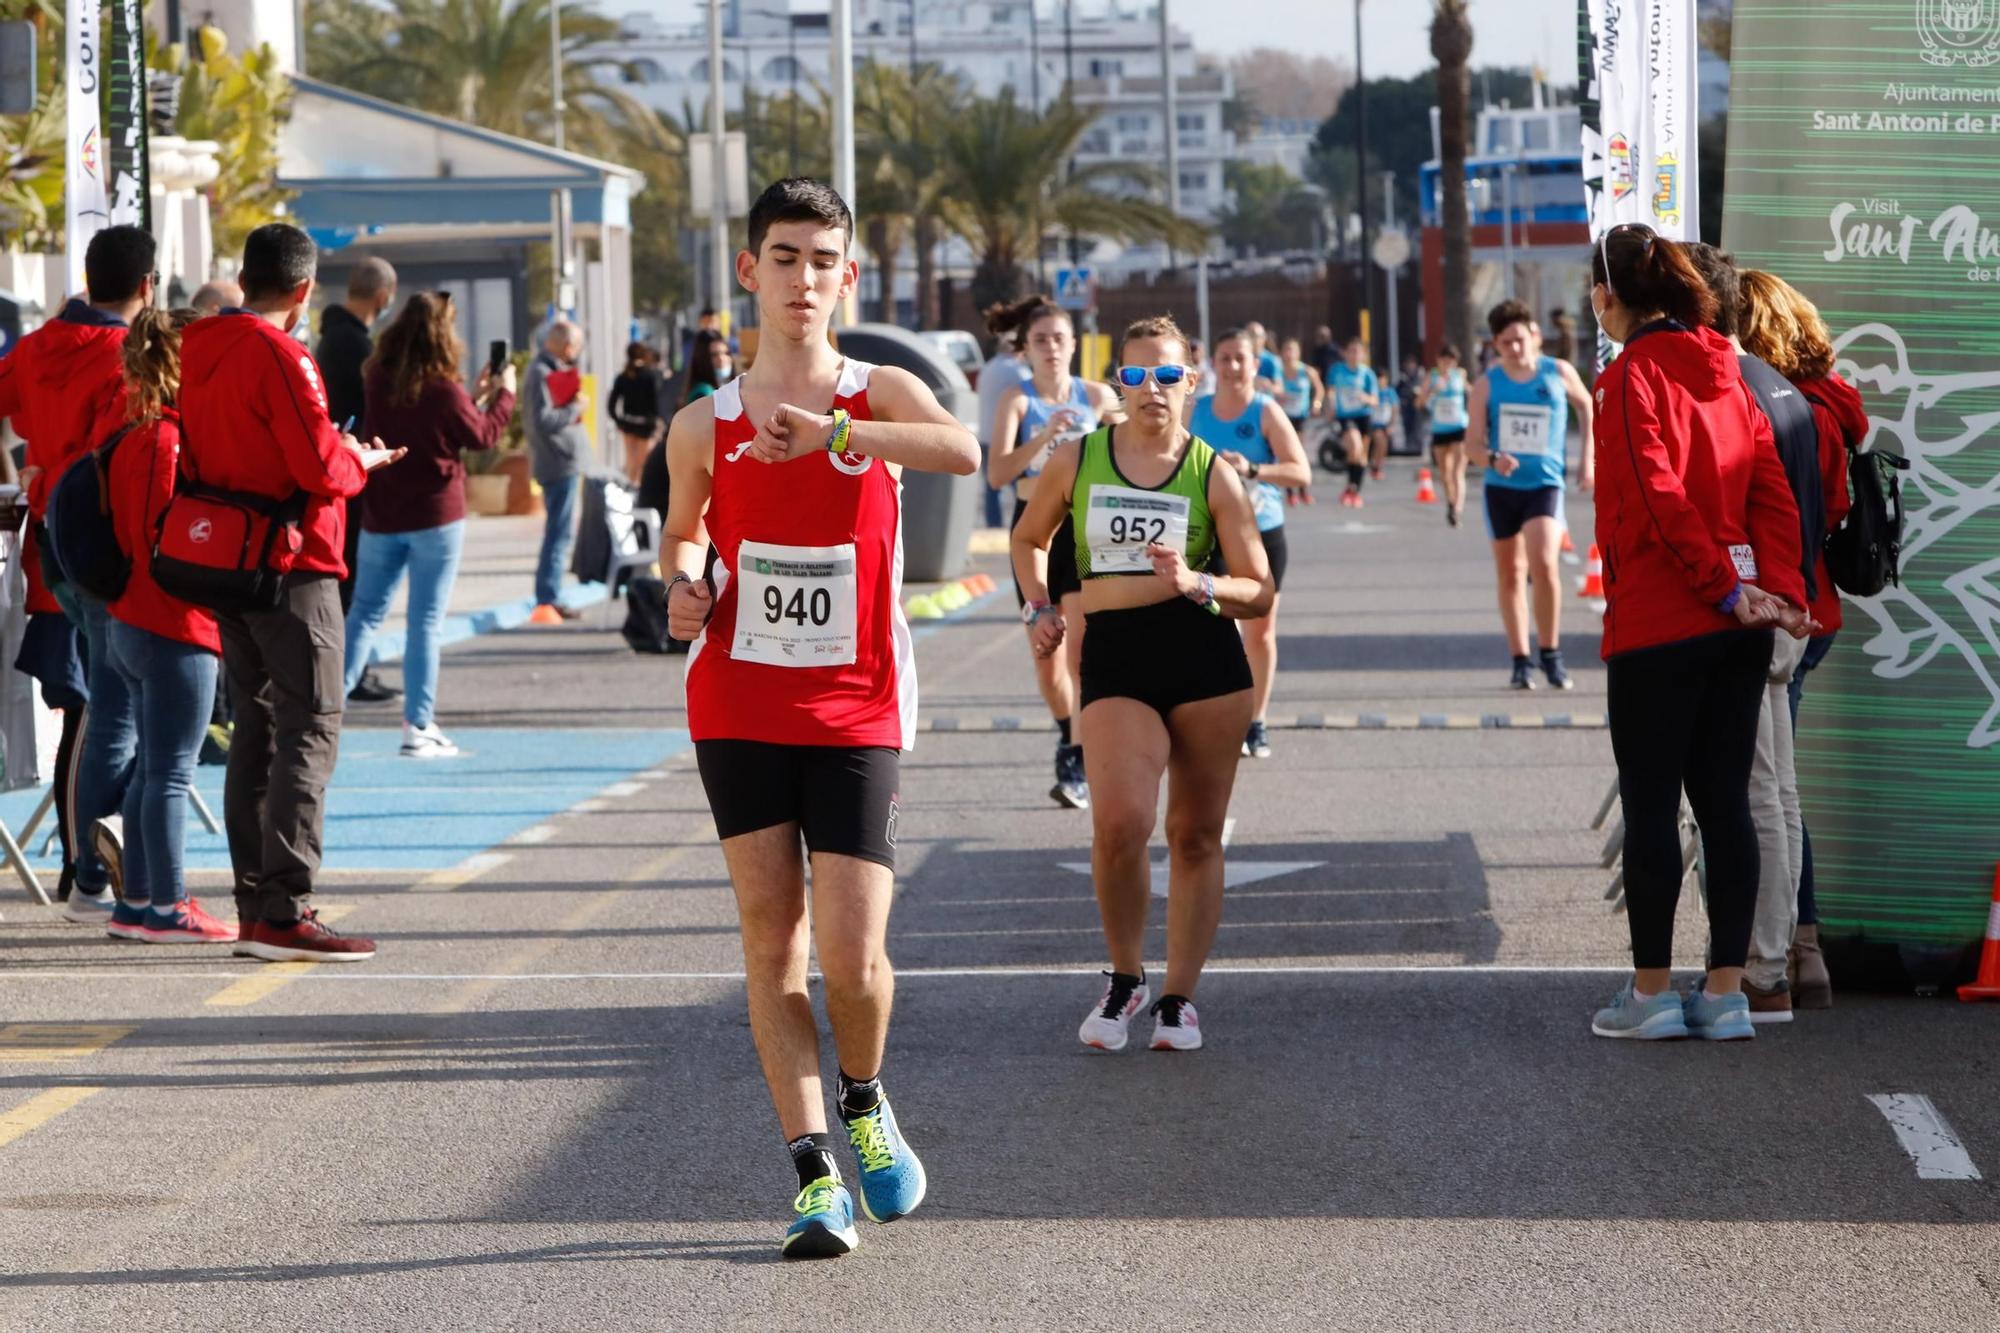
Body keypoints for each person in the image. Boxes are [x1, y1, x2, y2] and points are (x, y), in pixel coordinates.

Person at [662, 178, 977, 1260]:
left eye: (823, 259)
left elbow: (962, 454)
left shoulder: (877, 388)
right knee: (771, 941)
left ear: (848, 276)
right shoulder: (703, 422)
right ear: (749, 271)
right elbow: (679, 540)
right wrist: (683, 587)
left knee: (852, 956)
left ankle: (861, 1097)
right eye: (784, 256)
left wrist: (845, 431)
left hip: (856, 703)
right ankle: (809, 1177)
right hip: (739, 698)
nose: (804, 277)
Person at [1011, 314, 1274, 1054]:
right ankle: (1126, 976)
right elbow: (1028, 537)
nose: (1150, 388)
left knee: (1193, 833)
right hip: (1118, 661)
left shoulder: (1211, 470)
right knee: (1120, 823)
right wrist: (1037, 605)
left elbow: (1258, 587)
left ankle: (1178, 998)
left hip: (1206, 664)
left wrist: (1197, 580)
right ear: (1116, 381)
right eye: (1134, 374)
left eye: (1166, 374)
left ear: (1191, 380)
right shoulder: (1079, 457)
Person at [1585, 223, 1814, 1043]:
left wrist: (1718, 585)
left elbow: (1653, 489)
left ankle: (1650, 993)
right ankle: (1723, 993)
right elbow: (1771, 489)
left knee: (1653, 804)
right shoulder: (1727, 367)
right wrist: (1774, 590)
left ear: (1607, 295)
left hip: (1660, 617)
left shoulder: (1626, 376)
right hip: (1741, 621)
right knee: (1726, 802)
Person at [179, 222, 396, 963]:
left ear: (244, 279)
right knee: (311, 724)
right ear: (303, 291)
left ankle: (253, 902)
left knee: (257, 727)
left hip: (227, 558)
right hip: (292, 561)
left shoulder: (198, 345)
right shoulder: (282, 354)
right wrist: (359, 460)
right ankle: (285, 905)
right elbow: (318, 468)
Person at [0, 224, 155, 919]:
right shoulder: (129, 354)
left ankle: (87, 865)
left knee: (90, 708)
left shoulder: (34, 346)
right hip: (105, 540)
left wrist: (29, 472)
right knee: (108, 707)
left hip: (50, 545)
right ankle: (88, 869)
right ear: (147, 286)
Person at [1739, 266, 1864, 1012]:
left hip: (1787, 611)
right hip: (1818, 605)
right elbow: (1838, 505)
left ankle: (1788, 949)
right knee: (1781, 786)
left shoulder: (1783, 410)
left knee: (1770, 791)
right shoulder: (1831, 405)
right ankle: (1799, 949)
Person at [100, 306, 235, 943]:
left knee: (154, 768)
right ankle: (170, 904)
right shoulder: (169, 439)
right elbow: (169, 539)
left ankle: (141, 902)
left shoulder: (135, 431)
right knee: (171, 772)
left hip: (132, 617)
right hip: (171, 622)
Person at [342, 292, 518, 759]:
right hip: (435, 516)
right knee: (425, 622)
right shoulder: (443, 388)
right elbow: (479, 435)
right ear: (444, 333)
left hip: (383, 512)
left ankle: (324, 713)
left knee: (363, 615)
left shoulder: (378, 376)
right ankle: (417, 726)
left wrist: (475, 396)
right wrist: (504, 396)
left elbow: (439, 422)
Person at [987, 296, 1118, 809]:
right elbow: (997, 474)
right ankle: (1070, 732)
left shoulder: (1098, 397)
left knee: (1082, 651)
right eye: (1040, 340)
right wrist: (1046, 436)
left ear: (1074, 345)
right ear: (1026, 350)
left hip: (1083, 529)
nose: (1051, 349)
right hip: (1033, 533)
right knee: (1048, 658)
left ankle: (1080, 756)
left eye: (1060, 339)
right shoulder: (1016, 403)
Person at [1191, 329, 1310, 760]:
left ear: (1256, 365)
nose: (1233, 366)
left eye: (1241, 358)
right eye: (1224, 358)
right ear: (1213, 365)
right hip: (1212, 534)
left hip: (1263, 532)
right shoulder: (1196, 411)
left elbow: (1301, 472)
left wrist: (1254, 469)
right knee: (1213, 630)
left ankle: (1256, 721)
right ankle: (1217, 717)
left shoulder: (1266, 411)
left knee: (1259, 633)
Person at [1464, 300, 1595, 690]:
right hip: (1502, 489)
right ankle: (1521, 659)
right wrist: (1491, 458)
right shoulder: (1487, 385)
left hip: (1545, 484)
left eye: (1520, 340)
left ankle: (1551, 653)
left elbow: (1587, 406)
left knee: (1544, 563)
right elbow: (1470, 446)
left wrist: (1586, 461)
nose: (1516, 350)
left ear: (1535, 335)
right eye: (1506, 344)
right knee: (1511, 574)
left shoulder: (1558, 372)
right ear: (1495, 345)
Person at [314, 256, 399, 704]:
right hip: (349, 467)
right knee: (351, 579)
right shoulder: (355, 346)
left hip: (340, 463)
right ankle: (350, 669)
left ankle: (351, 667)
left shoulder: (332, 338)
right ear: (383, 296)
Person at [522, 319, 590, 625]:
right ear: (565, 345)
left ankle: (551, 593)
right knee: (557, 534)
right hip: (556, 462)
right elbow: (543, 421)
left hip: (562, 460)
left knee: (561, 532)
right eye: (574, 346)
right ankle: (548, 596)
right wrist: (576, 408)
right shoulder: (541, 372)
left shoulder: (549, 370)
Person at [974, 325, 1027, 529]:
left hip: (986, 433)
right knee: (1020, 484)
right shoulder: (1018, 371)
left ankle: (993, 523)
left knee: (991, 486)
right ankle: (1023, 519)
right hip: (1011, 436)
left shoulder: (987, 369)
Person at [1417, 345, 1471, 526]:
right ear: (1438, 360)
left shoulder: (1460, 375)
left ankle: (1457, 509)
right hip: (1440, 429)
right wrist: (1433, 391)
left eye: (1451, 361)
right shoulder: (1430, 377)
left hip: (1459, 427)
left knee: (1458, 471)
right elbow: (1419, 403)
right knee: (1445, 473)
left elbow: (1471, 391)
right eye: (1444, 360)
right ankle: (1450, 503)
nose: (1447, 365)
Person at [1326, 336, 1379, 506]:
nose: (1354, 355)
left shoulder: (1368, 374)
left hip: (1364, 415)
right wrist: (1330, 406)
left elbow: (1375, 399)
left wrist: (1365, 398)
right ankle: (1351, 486)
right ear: (1345, 353)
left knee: (1361, 456)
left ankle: (1353, 490)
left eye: (1357, 352)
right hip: (1346, 416)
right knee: (1355, 446)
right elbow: (1331, 390)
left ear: (1363, 355)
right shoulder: (1337, 370)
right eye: (1351, 351)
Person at [608, 342, 666, 484]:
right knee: (643, 462)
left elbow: (611, 404)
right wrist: (658, 421)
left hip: (628, 423)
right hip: (646, 425)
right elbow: (657, 402)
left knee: (631, 461)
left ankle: (629, 487)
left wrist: (619, 421)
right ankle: (638, 492)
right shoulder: (651, 376)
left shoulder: (623, 376)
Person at [1276, 337, 1323, 506]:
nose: (1289, 354)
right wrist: (1277, 396)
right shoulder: (1278, 371)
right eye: (1286, 350)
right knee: (1286, 453)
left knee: (1299, 453)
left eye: (1292, 350)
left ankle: (1303, 490)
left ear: (1298, 353)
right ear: (1282, 353)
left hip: (1300, 416)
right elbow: (1272, 389)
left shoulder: (1307, 371)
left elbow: (1319, 389)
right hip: (1283, 417)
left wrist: (1316, 404)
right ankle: (1290, 493)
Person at [679, 329, 734, 406]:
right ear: (702, 359)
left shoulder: (728, 388)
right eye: (714, 355)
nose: (721, 359)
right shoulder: (703, 393)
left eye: (726, 353)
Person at [1245, 321, 1283, 396]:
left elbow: (1279, 389)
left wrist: (1266, 385)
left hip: (1263, 404)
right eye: (1248, 335)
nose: (1252, 339)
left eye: (1255, 336)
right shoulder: (1240, 358)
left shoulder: (1272, 360)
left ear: (1263, 338)